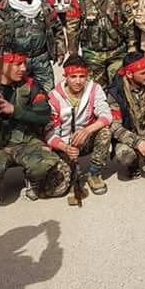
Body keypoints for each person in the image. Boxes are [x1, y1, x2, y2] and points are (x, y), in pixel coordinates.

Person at [0, 50, 70, 206]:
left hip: (27, 142)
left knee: (45, 162)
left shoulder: (31, 86)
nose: (23, 68)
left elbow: (44, 116)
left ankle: (32, 179)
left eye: (24, 63)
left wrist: (15, 111)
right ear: (3, 66)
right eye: (17, 64)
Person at [46, 56, 114, 201]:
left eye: (82, 76)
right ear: (65, 76)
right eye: (73, 77)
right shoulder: (54, 97)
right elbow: (49, 133)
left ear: (87, 75)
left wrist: (87, 130)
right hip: (64, 146)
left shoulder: (94, 89)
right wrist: (65, 147)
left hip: (85, 140)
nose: (78, 81)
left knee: (105, 131)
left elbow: (107, 116)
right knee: (57, 190)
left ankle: (94, 173)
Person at [0, 0, 65, 92]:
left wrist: (60, 49)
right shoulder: (5, 9)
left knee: (48, 95)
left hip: (41, 60)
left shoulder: (43, 6)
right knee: (16, 96)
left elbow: (57, 29)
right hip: (15, 62)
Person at [66, 0, 135, 87]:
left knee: (119, 87)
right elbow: (72, 28)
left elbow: (129, 22)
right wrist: (74, 54)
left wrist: (132, 46)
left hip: (117, 52)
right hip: (93, 54)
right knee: (96, 89)